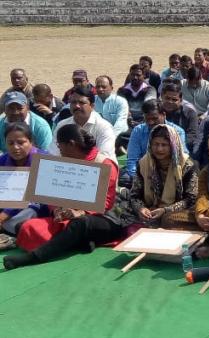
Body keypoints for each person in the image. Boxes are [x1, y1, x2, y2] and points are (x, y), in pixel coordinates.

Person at [3, 125, 122, 269]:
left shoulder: (104, 163)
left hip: (104, 219)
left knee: (80, 224)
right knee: (25, 227)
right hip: (69, 218)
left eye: (60, 147)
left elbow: (106, 203)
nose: (59, 151)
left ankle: (33, 257)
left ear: (71, 144)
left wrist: (81, 212)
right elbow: (52, 196)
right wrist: (56, 210)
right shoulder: (63, 162)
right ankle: (78, 242)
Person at [0, 123, 48, 250]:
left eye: (21, 143)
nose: (16, 147)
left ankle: (11, 236)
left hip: (34, 206)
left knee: (30, 212)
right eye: (10, 143)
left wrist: (3, 216)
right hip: (6, 205)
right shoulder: (3, 160)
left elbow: (29, 196)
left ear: (31, 142)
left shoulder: (44, 159)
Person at [49, 86, 117, 160]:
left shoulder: (104, 127)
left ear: (92, 106)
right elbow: (53, 153)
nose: (77, 106)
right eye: (73, 102)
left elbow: (104, 158)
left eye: (82, 103)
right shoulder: (62, 125)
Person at [158, 81, 199, 155]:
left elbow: (192, 136)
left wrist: (172, 144)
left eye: (174, 100)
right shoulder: (156, 111)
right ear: (161, 96)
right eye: (167, 98)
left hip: (182, 149)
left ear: (181, 100)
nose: (170, 102)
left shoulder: (190, 113)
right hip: (158, 148)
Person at [93, 75, 130, 139]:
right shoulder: (91, 101)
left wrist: (110, 137)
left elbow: (120, 122)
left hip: (118, 135)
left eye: (103, 87)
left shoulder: (120, 101)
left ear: (111, 88)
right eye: (98, 87)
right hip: (97, 135)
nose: (100, 89)